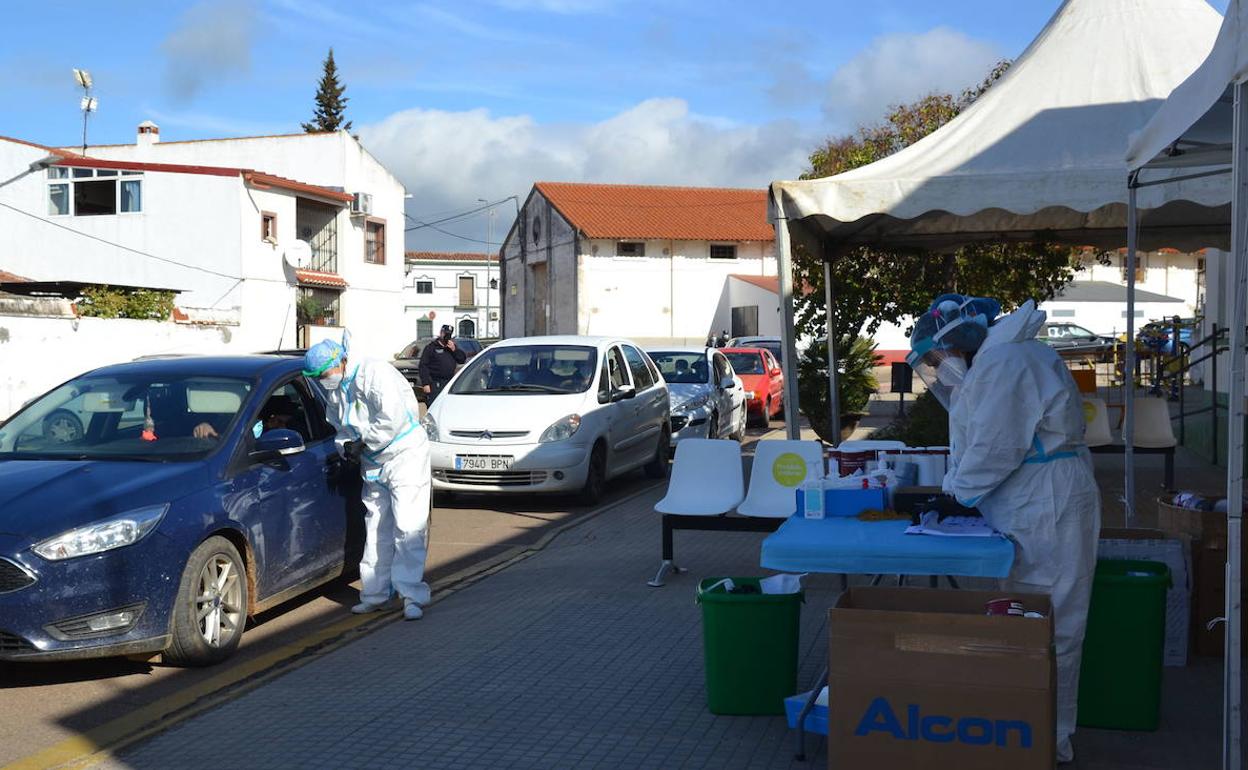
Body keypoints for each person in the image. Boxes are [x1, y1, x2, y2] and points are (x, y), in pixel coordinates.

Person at [907, 293, 1100, 764]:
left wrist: (956, 493)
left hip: (1046, 501)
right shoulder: (1007, 355)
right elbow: (993, 435)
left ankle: (1045, 738)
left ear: (960, 340)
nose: (941, 368)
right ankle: (1023, 724)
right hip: (1036, 495)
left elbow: (996, 446)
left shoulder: (1007, 362)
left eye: (939, 357)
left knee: (1048, 619)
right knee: (1024, 613)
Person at [304, 336, 431, 621]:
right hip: (373, 462)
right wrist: (346, 446)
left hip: (403, 455)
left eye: (324, 374)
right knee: (376, 528)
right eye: (319, 377)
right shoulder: (337, 389)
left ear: (340, 362)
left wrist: (365, 442)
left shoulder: (374, 373)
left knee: (408, 526)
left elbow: (392, 417)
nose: (324, 381)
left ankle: (411, 595)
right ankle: (376, 594)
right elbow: (340, 425)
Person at [418, 325, 466, 404]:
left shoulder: (452, 347)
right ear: (441, 333)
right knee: (435, 404)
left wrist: (454, 350)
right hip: (435, 383)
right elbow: (423, 366)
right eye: (445, 334)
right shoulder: (431, 347)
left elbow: (462, 359)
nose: (447, 336)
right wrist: (426, 383)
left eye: (449, 335)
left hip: (449, 382)